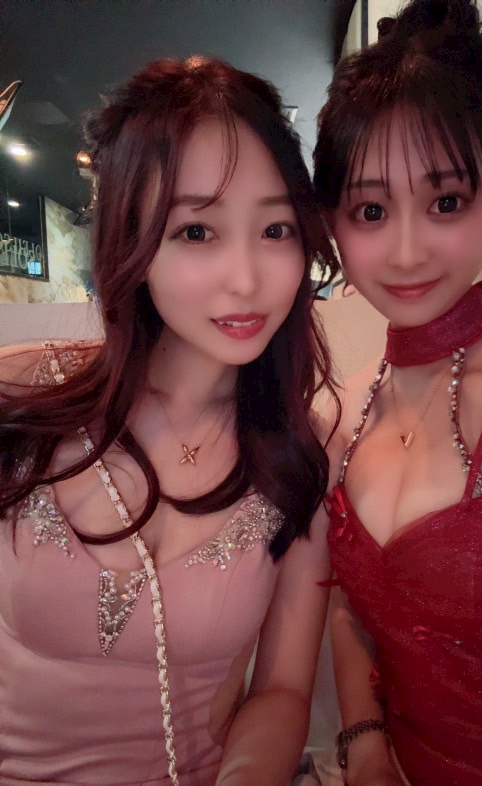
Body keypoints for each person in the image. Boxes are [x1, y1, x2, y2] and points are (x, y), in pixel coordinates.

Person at [0, 55, 341, 786]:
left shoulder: (304, 451)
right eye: (196, 232)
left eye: (276, 228)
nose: (247, 278)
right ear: (133, 238)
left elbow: (281, 691)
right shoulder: (20, 396)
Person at [313, 1, 482, 784]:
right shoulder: (342, 412)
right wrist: (366, 741)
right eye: (370, 210)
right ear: (332, 221)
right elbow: (348, 602)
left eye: (446, 202)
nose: (406, 252)